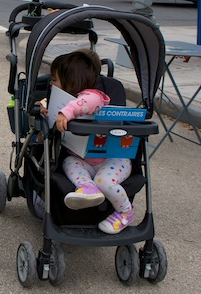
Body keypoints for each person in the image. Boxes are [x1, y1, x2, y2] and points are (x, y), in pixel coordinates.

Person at [44, 49, 134, 235]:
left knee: (104, 182)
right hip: (85, 160)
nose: (51, 84)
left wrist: (66, 113)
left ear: (71, 81)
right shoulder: (67, 100)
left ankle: (125, 212)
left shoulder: (94, 96)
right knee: (69, 162)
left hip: (112, 160)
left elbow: (85, 103)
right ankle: (87, 187)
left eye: (54, 80)